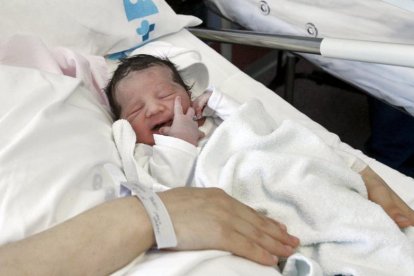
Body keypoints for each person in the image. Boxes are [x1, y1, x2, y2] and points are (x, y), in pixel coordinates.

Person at [105, 54, 414, 230]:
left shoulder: (213, 122)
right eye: (136, 110)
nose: (155, 109)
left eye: (165, 96)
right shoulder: (145, 153)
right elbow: (164, 191)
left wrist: (218, 103)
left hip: (287, 180)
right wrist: (181, 144)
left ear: (190, 96)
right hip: (248, 208)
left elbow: (266, 131)